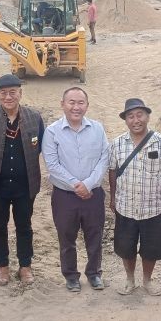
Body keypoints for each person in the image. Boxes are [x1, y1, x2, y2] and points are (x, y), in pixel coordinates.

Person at [0, 74, 45, 286]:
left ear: (20, 93)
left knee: (24, 226)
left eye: (12, 92)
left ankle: (25, 266)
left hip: (26, 185)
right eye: (3, 93)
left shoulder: (34, 117)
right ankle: (2, 265)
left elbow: (40, 145)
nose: (8, 97)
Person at [108, 98, 161, 296]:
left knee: (152, 249)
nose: (135, 120)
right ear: (126, 120)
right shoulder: (117, 144)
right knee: (125, 247)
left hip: (154, 206)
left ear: (147, 116)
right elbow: (112, 172)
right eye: (130, 116)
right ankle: (130, 280)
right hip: (126, 206)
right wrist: (113, 198)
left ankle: (147, 281)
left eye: (139, 115)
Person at [43, 87, 109, 292]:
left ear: (87, 106)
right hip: (64, 196)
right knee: (66, 237)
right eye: (71, 102)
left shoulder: (97, 129)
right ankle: (71, 276)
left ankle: (94, 273)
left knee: (94, 236)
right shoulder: (52, 131)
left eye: (80, 103)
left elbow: (104, 158)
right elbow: (52, 164)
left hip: (93, 194)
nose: (76, 107)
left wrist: (88, 184)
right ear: (62, 104)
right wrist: (76, 185)